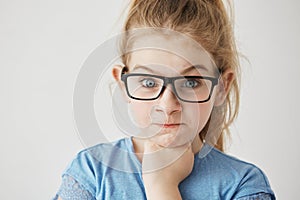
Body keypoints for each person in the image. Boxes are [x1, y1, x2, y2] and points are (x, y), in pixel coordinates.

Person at [53, 0, 276, 199]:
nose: (168, 106)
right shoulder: (91, 173)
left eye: (190, 82)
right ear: (122, 84)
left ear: (221, 87)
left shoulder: (244, 186)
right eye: (149, 83)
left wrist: (162, 186)